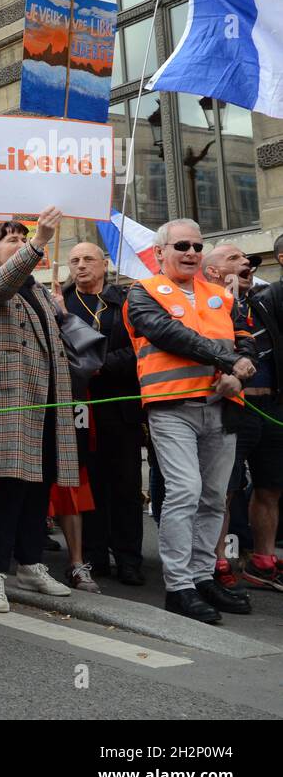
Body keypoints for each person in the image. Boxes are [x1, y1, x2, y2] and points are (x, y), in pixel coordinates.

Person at [124, 219, 255, 623]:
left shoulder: (222, 296)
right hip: (171, 407)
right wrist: (228, 360)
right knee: (185, 491)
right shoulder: (142, 292)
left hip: (222, 407)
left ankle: (202, 577)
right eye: (182, 245)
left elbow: (248, 340)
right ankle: (179, 586)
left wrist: (240, 370)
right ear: (159, 252)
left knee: (215, 496)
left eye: (198, 246)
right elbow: (168, 333)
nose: (192, 253)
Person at [0, 210, 78, 612]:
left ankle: (31, 564)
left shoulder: (40, 292)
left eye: (23, 237)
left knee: (40, 484)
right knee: (9, 488)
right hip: (10, 400)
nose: (20, 243)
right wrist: (37, 243)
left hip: (47, 398)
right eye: (11, 239)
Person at [62, 242, 144, 586]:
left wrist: (101, 366)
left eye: (88, 259)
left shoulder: (124, 300)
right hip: (78, 405)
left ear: (104, 263)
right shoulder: (60, 302)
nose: (81, 266)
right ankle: (94, 555)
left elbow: (140, 348)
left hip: (120, 402)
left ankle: (129, 557)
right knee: (89, 480)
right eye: (74, 260)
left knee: (125, 483)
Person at [201, 243, 280, 592]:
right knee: (224, 490)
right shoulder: (203, 305)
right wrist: (224, 303)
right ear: (213, 271)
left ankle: (263, 562)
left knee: (271, 487)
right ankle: (216, 561)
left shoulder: (265, 302)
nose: (246, 263)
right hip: (231, 408)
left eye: (247, 260)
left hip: (272, 407)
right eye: (234, 258)